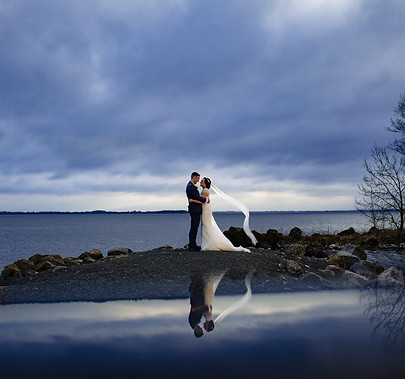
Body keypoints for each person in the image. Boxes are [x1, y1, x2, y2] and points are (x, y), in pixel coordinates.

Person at [189, 177, 253, 252]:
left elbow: (202, 201)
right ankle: (207, 244)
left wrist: (192, 200)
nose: (200, 182)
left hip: (206, 210)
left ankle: (209, 244)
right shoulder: (204, 190)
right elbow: (204, 200)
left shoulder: (205, 191)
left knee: (207, 225)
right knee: (206, 226)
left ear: (205, 183)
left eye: (202, 181)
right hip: (205, 209)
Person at [186, 172, 210, 252]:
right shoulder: (191, 186)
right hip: (194, 210)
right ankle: (191, 246)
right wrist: (206, 200)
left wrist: (193, 200)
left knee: (194, 228)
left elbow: (196, 197)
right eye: (198, 178)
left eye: (200, 179)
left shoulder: (190, 186)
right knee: (194, 228)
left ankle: (193, 245)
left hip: (195, 209)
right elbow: (197, 197)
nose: (199, 180)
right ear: (194, 177)